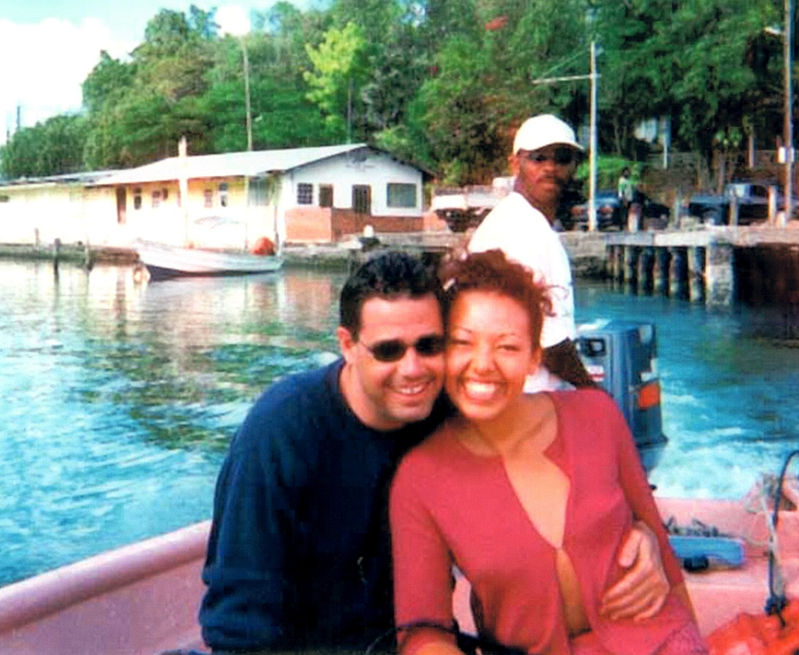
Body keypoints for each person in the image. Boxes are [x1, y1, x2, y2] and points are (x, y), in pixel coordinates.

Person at [199, 251, 670, 653]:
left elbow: (553, 462)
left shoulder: (447, 409)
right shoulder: (282, 432)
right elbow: (237, 624)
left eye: (429, 346)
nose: (413, 369)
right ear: (348, 345)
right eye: (388, 350)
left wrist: (642, 534)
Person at [390, 250, 707, 655]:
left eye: (507, 347)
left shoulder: (597, 415)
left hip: (659, 640)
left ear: (533, 358)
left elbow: (663, 554)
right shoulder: (420, 478)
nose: (483, 364)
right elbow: (421, 631)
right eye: (462, 342)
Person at [468, 113, 593, 391]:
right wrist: (594, 394)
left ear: (574, 166)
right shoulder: (521, 228)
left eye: (562, 159)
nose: (550, 168)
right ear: (515, 164)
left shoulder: (523, 220)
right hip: (521, 398)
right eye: (538, 158)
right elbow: (549, 342)